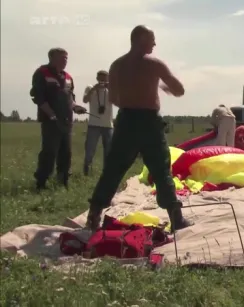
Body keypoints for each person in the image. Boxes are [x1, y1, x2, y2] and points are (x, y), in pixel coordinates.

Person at [85, 25, 192, 232]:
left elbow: (114, 98)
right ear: (141, 40)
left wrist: (131, 99)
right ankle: (176, 218)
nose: (154, 43)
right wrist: (164, 88)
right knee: (161, 170)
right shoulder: (154, 64)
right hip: (149, 122)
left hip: (126, 121)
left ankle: (93, 216)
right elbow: (179, 90)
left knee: (113, 169)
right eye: (152, 39)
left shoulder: (116, 66)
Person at [30, 47, 87, 191]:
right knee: (49, 152)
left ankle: (63, 181)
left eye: (67, 58)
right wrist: (51, 114)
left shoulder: (68, 77)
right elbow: (38, 97)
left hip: (67, 121)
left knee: (66, 153)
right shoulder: (42, 73)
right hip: (50, 121)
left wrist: (76, 108)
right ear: (52, 58)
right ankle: (41, 182)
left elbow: (70, 99)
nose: (65, 60)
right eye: (62, 57)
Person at [82, 70, 114, 176]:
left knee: (109, 151)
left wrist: (111, 89)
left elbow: (119, 101)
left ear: (108, 79)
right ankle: (87, 169)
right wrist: (94, 89)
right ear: (96, 78)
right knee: (90, 149)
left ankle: (107, 172)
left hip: (108, 125)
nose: (102, 82)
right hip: (93, 124)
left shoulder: (111, 90)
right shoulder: (90, 87)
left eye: (104, 80)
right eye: (100, 79)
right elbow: (85, 100)